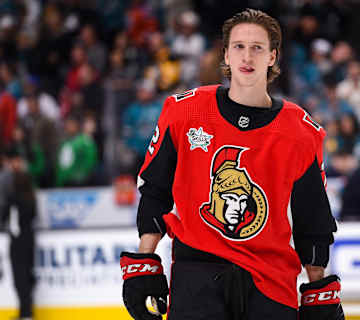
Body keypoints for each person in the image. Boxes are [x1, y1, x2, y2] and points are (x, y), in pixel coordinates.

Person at [120, 9, 344, 320]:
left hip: (270, 281)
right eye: (238, 46)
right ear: (225, 54)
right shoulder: (184, 113)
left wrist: (317, 285)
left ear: (272, 57)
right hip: (197, 274)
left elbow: (313, 220)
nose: (247, 56)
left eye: (257, 47)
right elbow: (156, 191)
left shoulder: (301, 132)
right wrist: (144, 260)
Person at [0, 146, 36, 320]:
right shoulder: (30, 200)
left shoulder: (14, 201)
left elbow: (4, 217)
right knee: (27, 276)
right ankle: (26, 312)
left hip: (18, 241)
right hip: (29, 238)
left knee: (20, 278)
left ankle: (25, 313)